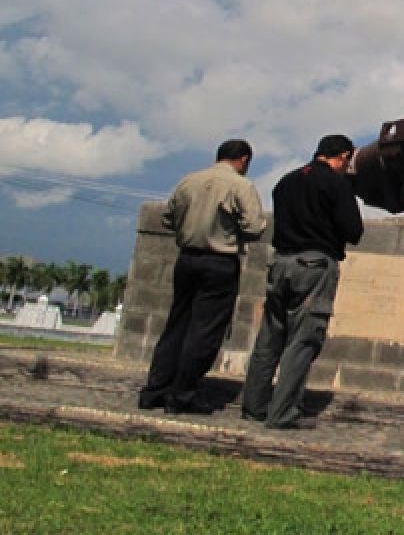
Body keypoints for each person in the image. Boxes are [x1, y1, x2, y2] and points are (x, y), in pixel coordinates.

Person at [241, 134, 364, 429]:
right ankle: (283, 413)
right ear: (344, 156)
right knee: (304, 339)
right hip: (315, 264)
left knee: (270, 337)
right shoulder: (337, 184)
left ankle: (254, 406)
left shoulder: (286, 181)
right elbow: (353, 229)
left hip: (281, 263)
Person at [138, 139, 267, 415]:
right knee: (205, 331)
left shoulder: (189, 181)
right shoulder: (241, 186)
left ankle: (154, 389)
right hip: (220, 260)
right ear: (243, 160)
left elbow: (167, 218)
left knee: (177, 324)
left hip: (187, 258)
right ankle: (182, 395)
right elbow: (255, 226)